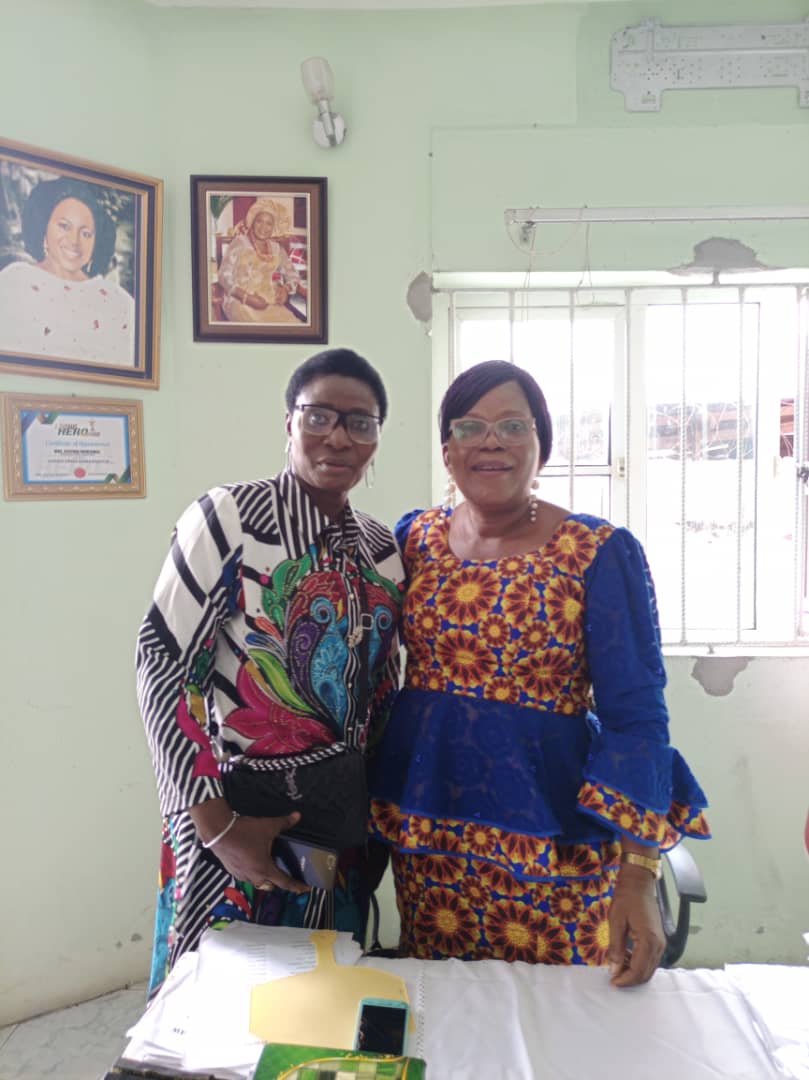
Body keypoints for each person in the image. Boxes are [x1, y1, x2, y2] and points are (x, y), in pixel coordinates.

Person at [369, 360, 710, 988]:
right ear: (448, 451)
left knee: (562, 1010)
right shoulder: (413, 539)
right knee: (443, 1004)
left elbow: (637, 713)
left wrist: (638, 872)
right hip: (431, 831)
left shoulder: (598, 551)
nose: (491, 440)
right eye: (470, 427)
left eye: (512, 425)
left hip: (555, 838)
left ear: (541, 445)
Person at [136, 348, 403, 998]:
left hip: (338, 828)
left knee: (320, 1000)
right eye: (319, 415)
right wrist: (215, 827)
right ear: (289, 422)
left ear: (374, 441)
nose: (337, 436)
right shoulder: (228, 519)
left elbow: (382, 693)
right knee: (216, 1010)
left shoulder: (382, 552)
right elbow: (161, 662)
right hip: (233, 810)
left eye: (359, 422)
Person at [0, 176, 135, 365]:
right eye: (64, 226)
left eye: (86, 233)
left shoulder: (120, 302)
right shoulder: (14, 281)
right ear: (43, 228)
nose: (74, 240)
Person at [217, 198, 301, 325]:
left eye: (269, 223)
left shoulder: (276, 248)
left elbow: (293, 275)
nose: (263, 228)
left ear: (274, 226)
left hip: (268, 299)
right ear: (252, 222)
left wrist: (285, 289)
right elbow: (223, 276)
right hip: (238, 300)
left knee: (293, 326)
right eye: (259, 221)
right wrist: (247, 298)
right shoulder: (239, 242)